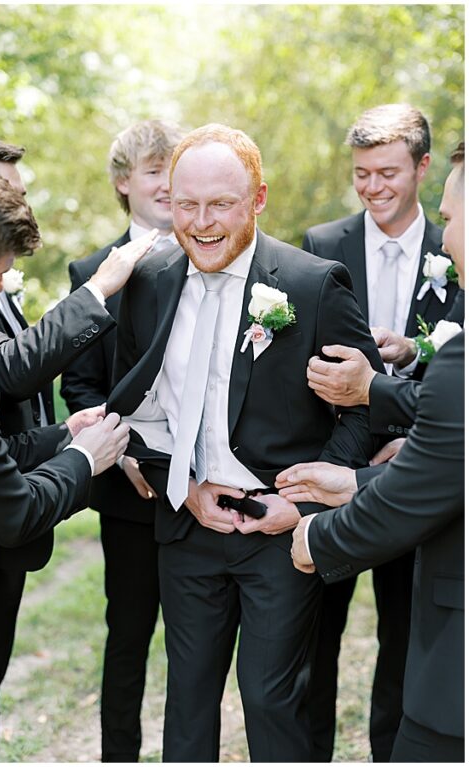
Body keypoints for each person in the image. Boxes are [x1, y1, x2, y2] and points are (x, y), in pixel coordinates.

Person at [106, 124, 382, 761]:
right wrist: (185, 484)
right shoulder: (147, 281)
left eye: (221, 205)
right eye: (186, 204)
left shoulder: (314, 285)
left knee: (269, 697)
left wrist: (307, 504)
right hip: (186, 526)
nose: (201, 223)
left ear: (257, 199)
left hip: (279, 534)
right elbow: (135, 405)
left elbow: (368, 412)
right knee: (188, 699)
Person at [287, 143, 463, 762]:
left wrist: (403, 370)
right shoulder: (320, 242)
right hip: (337, 461)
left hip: (427, 484)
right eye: (361, 174)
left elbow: (453, 389)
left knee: (410, 640)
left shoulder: (452, 247)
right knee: (316, 644)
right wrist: (346, 466)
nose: (373, 186)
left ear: (421, 167)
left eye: (387, 172)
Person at [0, 154, 132, 761]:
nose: (18, 204)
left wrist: (62, 436)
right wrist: (82, 457)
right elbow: (9, 370)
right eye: (3, 190)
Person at [61, 119, 183, 762]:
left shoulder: (211, 256)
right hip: (126, 490)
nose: (167, 183)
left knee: (198, 642)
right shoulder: (90, 270)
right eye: (154, 170)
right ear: (123, 182)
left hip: (204, 487)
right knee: (128, 635)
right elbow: (79, 384)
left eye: (175, 168)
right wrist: (124, 449)